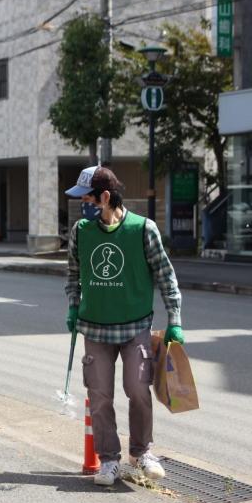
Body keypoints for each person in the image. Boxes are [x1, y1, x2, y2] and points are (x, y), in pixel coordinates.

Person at [64, 165, 184, 486]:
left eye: (87, 198)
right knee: (100, 396)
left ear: (105, 197)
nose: (82, 204)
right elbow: (73, 273)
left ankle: (141, 452)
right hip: (95, 327)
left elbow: (165, 276)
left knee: (138, 390)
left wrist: (174, 319)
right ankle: (108, 460)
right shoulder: (80, 231)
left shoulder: (143, 229)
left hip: (135, 327)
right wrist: (73, 306)